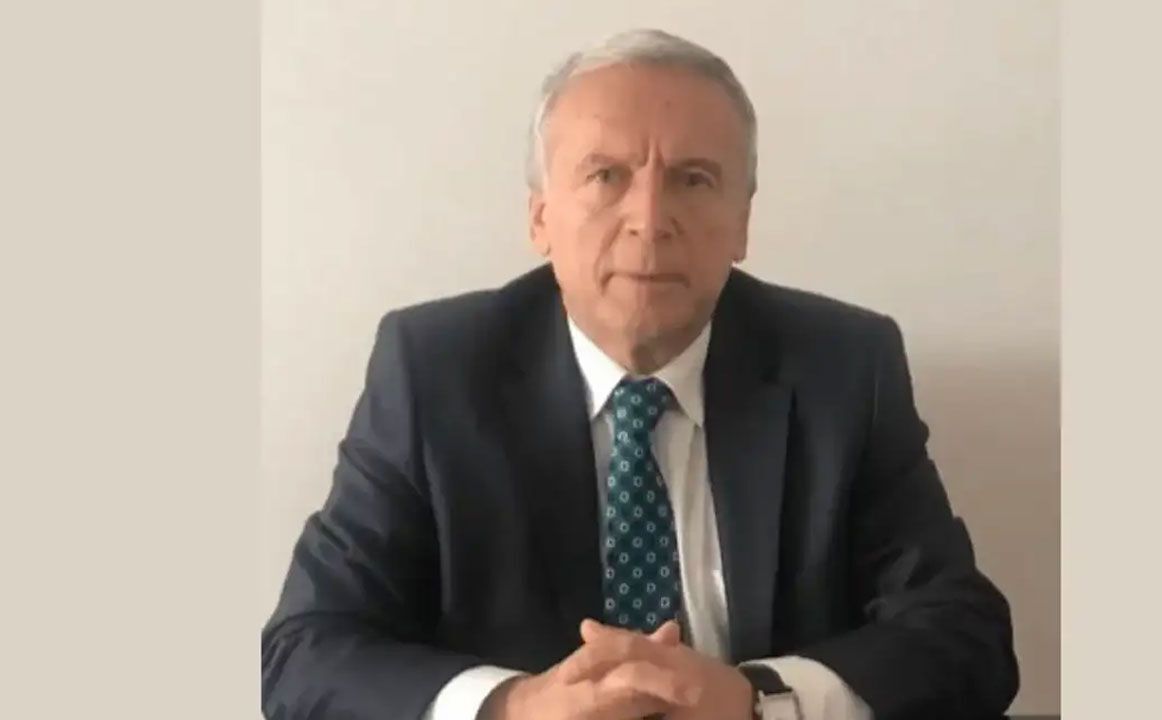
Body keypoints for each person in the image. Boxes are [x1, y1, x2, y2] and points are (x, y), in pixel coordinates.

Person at [261, 28, 1019, 720]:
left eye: (694, 179)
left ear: (743, 221)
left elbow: (964, 636)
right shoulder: (433, 371)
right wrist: (512, 709)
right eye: (606, 175)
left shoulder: (844, 369)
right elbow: (305, 650)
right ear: (540, 217)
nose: (650, 220)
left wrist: (759, 700)